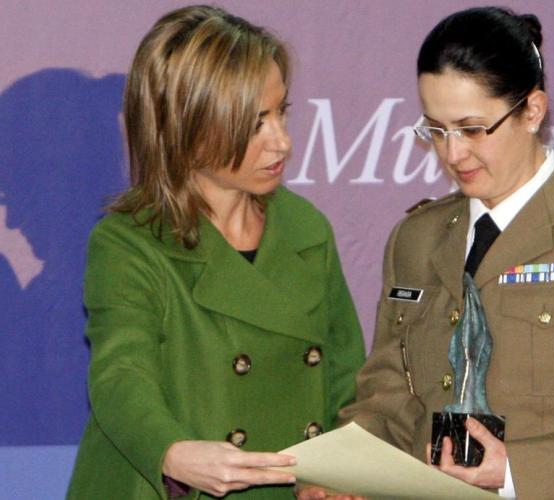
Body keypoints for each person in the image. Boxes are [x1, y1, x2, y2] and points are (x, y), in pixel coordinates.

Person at [300, 6, 554, 500]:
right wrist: (342, 473)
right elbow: (387, 399)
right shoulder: (416, 238)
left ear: (532, 111)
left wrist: (516, 471)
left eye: (472, 129)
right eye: (436, 130)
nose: (453, 154)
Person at [67, 5, 365, 499]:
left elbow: (345, 376)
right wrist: (172, 452)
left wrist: (337, 471)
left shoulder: (305, 227)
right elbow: (121, 375)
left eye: (281, 112)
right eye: (254, 124)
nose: (282, 142)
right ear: (185, 127)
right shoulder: (129, 242)